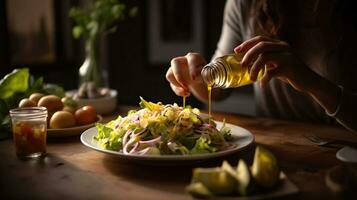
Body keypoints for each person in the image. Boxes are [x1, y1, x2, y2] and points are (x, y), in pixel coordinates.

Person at [165, 0, 357, 132]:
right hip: (279, 145)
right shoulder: (244, 4)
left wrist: (313, 83)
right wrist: (191, 75)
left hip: (344, 152)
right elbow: (216, 90)